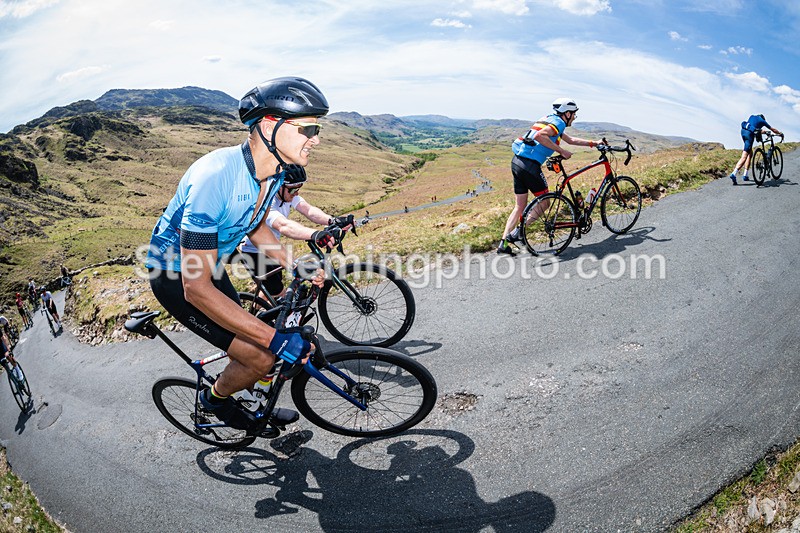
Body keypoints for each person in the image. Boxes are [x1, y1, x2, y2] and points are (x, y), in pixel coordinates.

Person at [145, 76, 330, 430]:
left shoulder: (272, 173)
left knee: (257, 342)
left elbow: (254, 223)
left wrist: (294, 265)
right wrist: (273, 341)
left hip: (209, 267)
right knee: (260, 357)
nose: (316, 139)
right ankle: (215, 402)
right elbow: (196, 289)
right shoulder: (215, 177)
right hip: (174, 276)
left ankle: (247, 393)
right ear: (269, 125)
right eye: (308, 128)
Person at [498, 98, 601, 255]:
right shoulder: (558, 123)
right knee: (545, 203)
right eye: (573, 114)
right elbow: (540, 136)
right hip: (530, 165)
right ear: (567, 113)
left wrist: (593, 143)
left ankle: (503, 243)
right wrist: (561, 151)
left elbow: (571, 140)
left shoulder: (549, 119)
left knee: (519, 206)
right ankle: (518, 233)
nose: (574, 118)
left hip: (517, 162)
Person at [236, 168, 353, 298]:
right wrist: (314, 234)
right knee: (278, 292)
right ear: (279, 186)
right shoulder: (266, 202)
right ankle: (257, 317)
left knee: (272, 293)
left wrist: (332, 220)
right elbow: (283, 226)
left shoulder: (288, 195)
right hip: (255, 252)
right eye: (293, 189)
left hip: (273, 248)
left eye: (299, 188)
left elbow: (309, 210)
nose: (296, 193)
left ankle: (262, 311)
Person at [729, 114, 783, 185]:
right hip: (749, 135)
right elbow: (772, 129)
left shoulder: (752, 116)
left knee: (750, 153)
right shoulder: (762, 121)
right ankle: (734, 173)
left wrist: (762, 131)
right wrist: (780, 133)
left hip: (743, 132)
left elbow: (754, 127)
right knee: (744, 156)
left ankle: (745, 175)